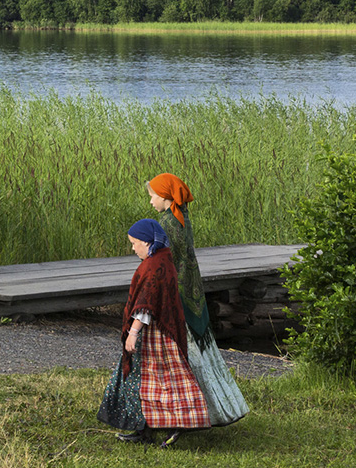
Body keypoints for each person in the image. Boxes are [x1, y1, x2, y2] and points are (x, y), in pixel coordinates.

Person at [148, 173, 249, 426]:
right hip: (192, 288)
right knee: (202, 352)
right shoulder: (182, 218)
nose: (150, 201)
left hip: (178, 293)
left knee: (183, 353)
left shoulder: (166, 223)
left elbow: (162, 262)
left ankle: (191, 414)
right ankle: (221, 407)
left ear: (165, 196)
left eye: (152, 196)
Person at [98, 219, 210, 447]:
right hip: (162, 331)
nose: (132, 248)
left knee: (160, 380)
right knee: (149, 381)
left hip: (156, 336)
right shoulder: (162, 259)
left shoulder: (154, 267)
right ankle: (144, 429)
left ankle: (176, 425)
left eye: (134, 243)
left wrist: (133, 332)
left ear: (147, 242)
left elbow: (146, 304)